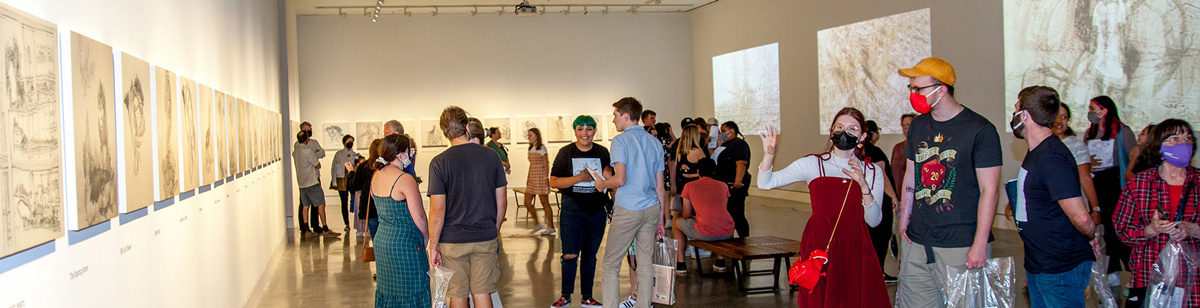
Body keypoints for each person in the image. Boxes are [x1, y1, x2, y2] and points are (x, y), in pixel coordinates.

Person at [897, 57, 1003, 308]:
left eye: (918, 89)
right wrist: (904, 221)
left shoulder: (980, 129)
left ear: (941, 89)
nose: (913, 94)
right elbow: (911, 176)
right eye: (910, 89)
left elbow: (990, 190)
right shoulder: (918, 126)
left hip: (961, 242)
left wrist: (979, 243)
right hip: (918, 241)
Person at [758, 107, 889, 307]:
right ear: (831, 131)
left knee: (853, 297)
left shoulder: (871, 171)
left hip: (855, 243)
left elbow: (874, 221)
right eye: (840, 127)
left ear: (863, 136)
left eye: (853, 129)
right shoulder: (813, 164)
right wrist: (769, 155)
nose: (845, 132)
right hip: (820, 243)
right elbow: (765, 183)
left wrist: (863, 186)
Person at [1010, 85, 1098, 308]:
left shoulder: (1051, 156)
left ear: (1025, 115)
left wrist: (1090, 236)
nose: (1013, 115)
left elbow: (1081, 218)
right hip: (1040, 262)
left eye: (1016, 109)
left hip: (1059, 267)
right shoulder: (1037, 151)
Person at [427, 106, 508, 308]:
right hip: (484, 237)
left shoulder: (439, 163)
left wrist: (433, 246)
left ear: (445, 132)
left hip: (452, 240)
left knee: (458, 296)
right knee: (482, 293)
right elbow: (502, 200)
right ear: (466, 126)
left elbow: (437, 210)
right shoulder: (491, 157)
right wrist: (495, 229)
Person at [1114, 119, 1200, 308]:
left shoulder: (1199, 182)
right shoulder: (1139, 184)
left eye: (1188, 139)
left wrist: (1192, 229)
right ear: (1158, 145)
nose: (1183, 144)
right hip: (1149, 275)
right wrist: (1150, 230)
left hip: (1194, 281)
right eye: (1175, 139)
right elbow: (1122, 230)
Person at [596, 97, 666, 308]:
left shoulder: (620, 141)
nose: (613, 121)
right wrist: (661, 219)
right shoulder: (654, 142)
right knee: (645, 263)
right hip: (651, 208)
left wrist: (601, 184)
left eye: (615, 116)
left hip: (628, 209)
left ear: (625, 116)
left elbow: (620, 179)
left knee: (610, 264)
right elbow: (660, 186)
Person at [548, 115, 612, 308]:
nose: (585, 133)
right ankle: (565, 296)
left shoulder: (602, 152)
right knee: (569, 254)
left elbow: (609, 176)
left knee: (590, 255)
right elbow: (554, 181)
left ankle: (587, 297)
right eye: (580, 129)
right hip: (571, 209)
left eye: (589, 129)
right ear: (574, 130)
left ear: (595, 131)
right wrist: (579, 178)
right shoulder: (566, 152)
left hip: (596, 211)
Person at [369, 134, 431, 307]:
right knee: (411, 289)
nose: (409, 156)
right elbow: (418, 216)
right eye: (408, 152)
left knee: (388, 290)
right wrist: (426, 236)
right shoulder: (405, 180)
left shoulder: (376, 176)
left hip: (382, 241)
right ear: (399, 154)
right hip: (404, 243)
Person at [1085, 95, 1137, 292]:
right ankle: (1111, 270)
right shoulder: (1089, 133)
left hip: (1115, 184)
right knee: (1104, 230)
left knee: (1118, 229)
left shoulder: (1123, 131)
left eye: (1093, 108)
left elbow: (1133, 156)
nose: (1090, 113)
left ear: (1104, 110)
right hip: (1096, 183)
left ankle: (1133, 271)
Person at [672, 158, 735, 272]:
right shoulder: (723, 186)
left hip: (705, 231)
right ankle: (720, 260)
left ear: (697, 171)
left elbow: (686, 215)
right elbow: (722, 209)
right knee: (719, 223)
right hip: (728, 231)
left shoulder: (689, 186)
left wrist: (696, 217)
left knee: (677, 222)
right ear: (714, 172)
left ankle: (680, 263)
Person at [1052, 104, 1102, 225]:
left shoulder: (1076, 145)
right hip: (1047, 210)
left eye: (1064, 117)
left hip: (1071, 210)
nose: (1059, 121)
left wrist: (1095, 209)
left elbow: (1085, 178)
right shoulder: (1040, 145)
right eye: (1056, 116)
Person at [862, 120, 899, 283]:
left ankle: (868, 271)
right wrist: (893, 196)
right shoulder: (876, 152)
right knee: (881, 236)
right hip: (879, 201)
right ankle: (879, 272)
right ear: (874, 134)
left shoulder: (858, 151)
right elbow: (881, 175)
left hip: (863, 200)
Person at [293, 131, 338, 238]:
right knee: (321, 204)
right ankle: (325, 228)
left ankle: (306, 229)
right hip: (312, 181)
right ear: (307, 139)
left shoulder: (295, 152)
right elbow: (318, 165)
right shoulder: (307, 151)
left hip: (302, 183)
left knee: (305, 205)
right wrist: (315, 154)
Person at [714, 121, 751, 238]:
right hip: (722, 184)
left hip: (733, 185)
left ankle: (744, 240)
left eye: (724, 131)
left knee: (737, 214)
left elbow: (741, 163)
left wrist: (738, 181)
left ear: (732, 130)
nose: (721, 134)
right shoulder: (724, 145)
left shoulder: (739, 144)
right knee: (727, 214)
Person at [348, 139, 383, 238]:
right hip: (384, 204)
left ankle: (377, 252)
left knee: (374, 235)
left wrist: (351, 172)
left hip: (369, 204)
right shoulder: (386, 166)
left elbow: (355, 186)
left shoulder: (364, 166)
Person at [525, 128, 555, 235]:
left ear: (536, 136)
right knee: (527, 202)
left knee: (544, 203)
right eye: (528, 135)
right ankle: (538, 223)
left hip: (541, 176)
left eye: (531, 135)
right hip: (532, 177)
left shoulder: (541, 148)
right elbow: (531, 165)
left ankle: (551, 226)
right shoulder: (530, 148)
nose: (529, 137)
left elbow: (546, 163)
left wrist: (546, 177)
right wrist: (528, 178)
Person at [296, 122, 324, 234]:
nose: (309, 131)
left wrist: (313, 155)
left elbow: (322, 152)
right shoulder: (298, 146)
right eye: (307, 130)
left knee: (314, 204)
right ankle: (304, 227)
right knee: (305, 203)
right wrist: (313, 155)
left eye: (310, 129)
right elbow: (316, 161)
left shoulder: (314, 142)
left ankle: (315, 225)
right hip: (307, 178)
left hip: (314, 176)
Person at [332, 135, 359, 231]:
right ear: (344, 142)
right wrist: (334, 181)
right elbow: (334, 168)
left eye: (352, 141)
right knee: (344, 203)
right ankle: (346, 223)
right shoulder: (338, 154)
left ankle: (357, 222)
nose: (351, 143)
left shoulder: (355, 155)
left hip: (352, 180)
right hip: (342, 180)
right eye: (349, 141)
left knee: (355, 201)